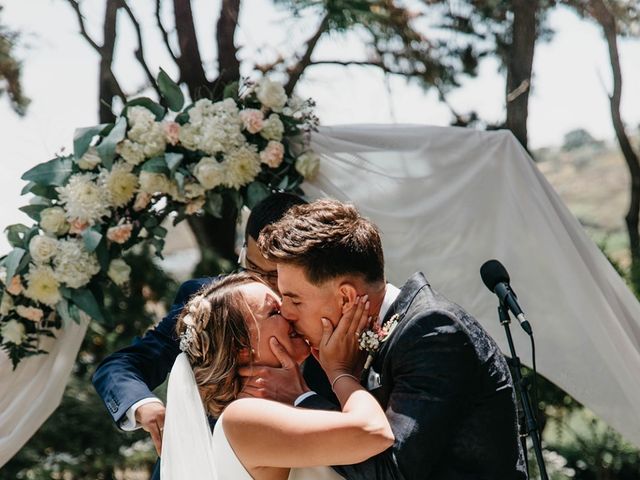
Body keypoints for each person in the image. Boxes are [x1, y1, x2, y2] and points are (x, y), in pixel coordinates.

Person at [249, 198, 528, 479]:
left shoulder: (433, 331)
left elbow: (391, 472)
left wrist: (304, 394)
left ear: (346, 297)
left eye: (294, 300)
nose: (285, 312)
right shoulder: (378, 335)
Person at [92, 192, 332, 479]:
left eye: (276, 275)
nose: (264, 285)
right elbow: (122, 365)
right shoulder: (211, 301)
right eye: (253, 269)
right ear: (243, 250)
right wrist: (144, 406)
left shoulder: (335, 312)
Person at [161, 272, 394, 479]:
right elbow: (373, 432)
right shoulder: (242, 417)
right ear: (241, 348)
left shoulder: (272, 409)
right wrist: (339, 372)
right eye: (274, 311)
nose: (289, 313)